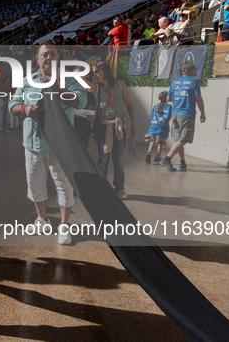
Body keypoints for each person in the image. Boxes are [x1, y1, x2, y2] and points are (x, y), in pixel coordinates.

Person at [8, 42, 87, 245]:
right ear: (37, 58)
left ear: (58, 56)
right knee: (35, 184)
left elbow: (80, 101)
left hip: (60, 145)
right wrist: (25, 109)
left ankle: (64, 225)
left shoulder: (69, 79)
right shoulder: (28, 80)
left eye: (52, 54)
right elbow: (12, 104)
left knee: (64, 185)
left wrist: (58, 88)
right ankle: (41, 219)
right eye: (44, 54)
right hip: (33, 143)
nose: (48, 58)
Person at [86, 62, 138, 200]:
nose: (95, 75)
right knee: (104, 159)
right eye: (93, 72)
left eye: (96, 71)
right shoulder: (97, 87)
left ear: (105, 70)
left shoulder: (120, 84)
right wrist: (73, 74)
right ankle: (101, 189)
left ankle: (119, 189)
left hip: (119, 126)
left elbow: (129, 104)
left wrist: (133, 123)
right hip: (103, 128)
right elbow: (84, 84)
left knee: (119, 159)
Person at [160, 61, 206, 172]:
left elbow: (168, 99)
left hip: (175, 115)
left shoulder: (174, 83)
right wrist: (203, 113)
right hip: (187, 115)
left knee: (179, 140)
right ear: (187, 71)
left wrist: (179, 97)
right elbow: (198, 98)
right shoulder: (194, 82)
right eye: (193, 67)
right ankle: (167, 159)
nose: (196, 69)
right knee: (184, 139)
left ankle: (182, 163)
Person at [145, 91, 172, 164]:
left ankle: (149, 153)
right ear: (167, 98)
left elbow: (152, 116)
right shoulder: (169, 106)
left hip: (153, 127)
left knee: (153, 141)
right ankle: (157, 157)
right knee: (161, 143)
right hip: (162, 128)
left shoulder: (155, 105)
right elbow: (168, 118)